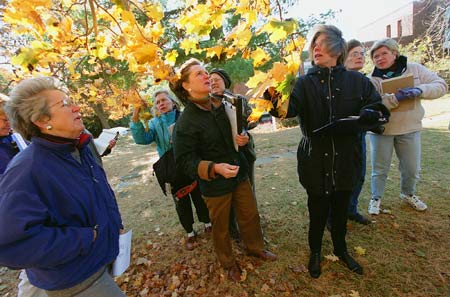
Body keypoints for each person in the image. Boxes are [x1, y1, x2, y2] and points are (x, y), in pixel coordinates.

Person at [265, 25, 389, 278]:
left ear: (336, 47)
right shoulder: (303, 83)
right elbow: (286, 112)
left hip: (346, 157)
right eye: (314, 45)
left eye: (321, 43)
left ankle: (342, 250)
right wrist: (272, 96)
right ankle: (315, 252)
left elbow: (378, 108)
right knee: (318, 210)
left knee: (341, 209)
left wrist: (371, 113)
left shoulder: (358, 81)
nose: (316, 48)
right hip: (315, 159)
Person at [0, 76, 125, 297]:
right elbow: (11, 244)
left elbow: (98, 194)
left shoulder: (79, 148)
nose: (76, 107)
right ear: (41, 120)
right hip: (76, 280)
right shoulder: (27, 169)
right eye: (65, 104)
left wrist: (114, 225)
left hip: (100, 262)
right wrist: (87, 239)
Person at [170, 58, 276, 282]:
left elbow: (239, 129)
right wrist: (214, 168)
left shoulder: (222, 102)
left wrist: (243, 137)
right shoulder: (185, 122)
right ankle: (228, 263)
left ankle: (255, 248)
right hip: (215, 183)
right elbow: (184, 161)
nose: (206, 75)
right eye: (198, 74)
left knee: (249, 215)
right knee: (221, 228)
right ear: (187, 86)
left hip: (240, 172)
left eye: (205, 71)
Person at [367, 38, 448, 215]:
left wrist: (420, 90)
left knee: (411, 168)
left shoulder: (415, 69)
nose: (379, 58)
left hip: (410, 128)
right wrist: (395, 99)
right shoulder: (372, 79)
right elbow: (372, 104)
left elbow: (441, 85)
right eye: (375, 56)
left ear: (395, 53)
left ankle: (408, 193)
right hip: (382, 130)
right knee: (380, 168)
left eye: (383, 54)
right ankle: (376, 198)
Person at [130, 89, 211, 250]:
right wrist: (136, 113)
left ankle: (208, 223)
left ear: (172, 102)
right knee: (181, 202)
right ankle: (189, 233)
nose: (161, 104)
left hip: (190, 162)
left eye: (164, 100)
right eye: (158, 102)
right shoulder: (154, 123)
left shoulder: (184, 117)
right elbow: (141, 139)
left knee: (199, 196)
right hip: (171, 168)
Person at [209, 68, 257, 241]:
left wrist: (244, 133)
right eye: (210, 80)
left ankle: (249, 227)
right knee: (226, 195)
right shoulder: (207, 104)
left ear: (225, 82)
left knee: (246, 191)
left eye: (216, 79)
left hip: (243, 154)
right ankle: (231, 228)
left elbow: (251, 121)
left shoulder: (240, 100)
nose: (213, 82)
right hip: (220, 159)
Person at [343, 40, 371, 225]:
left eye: (362, 53)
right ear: (343, 57)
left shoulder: (365, 82)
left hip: (359, 134)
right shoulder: (337, 82)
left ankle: (350, 209)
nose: (360, 56)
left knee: (359, 173)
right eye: (354, 53)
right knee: (342, 178)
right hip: (340, 136)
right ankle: (333, 215)